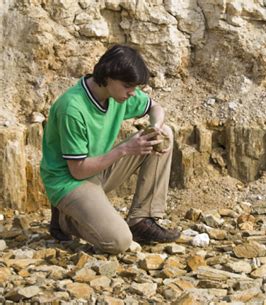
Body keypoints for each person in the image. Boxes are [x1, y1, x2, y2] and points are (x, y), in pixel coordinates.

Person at [40, 44, 180, 254]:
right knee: (119, 242)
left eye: (135, 87)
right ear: (108, 77)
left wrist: (156, 127)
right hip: (69, 181)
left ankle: (142, 220)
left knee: (165, 134)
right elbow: (77, 170)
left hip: (97, 169)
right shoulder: (72, 108)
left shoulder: (119, 94)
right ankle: (64, 219)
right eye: (128, 86)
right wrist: (124, 149)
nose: (132, 93)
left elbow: (155, 107)